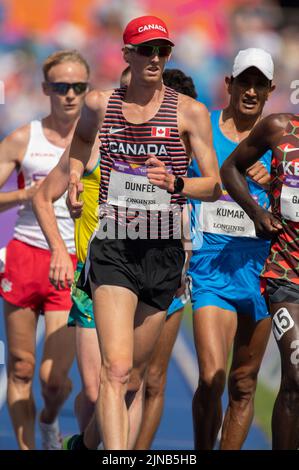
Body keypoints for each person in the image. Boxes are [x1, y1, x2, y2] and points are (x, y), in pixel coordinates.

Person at [67, 15, 221, 450]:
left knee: (133, 376)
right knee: (114, 369)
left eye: (162, 51)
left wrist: (175, 183)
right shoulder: (100, 104)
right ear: (127, 55)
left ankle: (83, 446)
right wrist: (76, 177)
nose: (155, 59)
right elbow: (79, 145)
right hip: (114, 245)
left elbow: (213, 185)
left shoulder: (189, 111)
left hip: (165, 252)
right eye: (146, 50)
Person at [33, 68, 198, 450]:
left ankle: (88, 447)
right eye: (126, 91)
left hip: (158, 264)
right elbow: (43, 196)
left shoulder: (172, 145)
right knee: (100, 386)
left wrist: (185, 262)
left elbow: (196, 201)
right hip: (103, 268)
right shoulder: (92, 142)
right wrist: (60, 247)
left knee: (132, 384)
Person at [0, 50, 90, 449]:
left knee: (55, 380)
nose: (70, 95)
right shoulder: (24, 137)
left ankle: (50, 419)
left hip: (70, 263)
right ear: (45, 89)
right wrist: (26, 193)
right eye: (60, 87)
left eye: (78, 87)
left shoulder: (99, 140)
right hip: (24, 255)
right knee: (21, 367)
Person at [188, 48, 275, 449]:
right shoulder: (201, 129)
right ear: (230, 84)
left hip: (262, 273)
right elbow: (174, 184)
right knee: (211, 377)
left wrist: (275, 179)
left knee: (243, 384)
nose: (251, 91)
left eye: (260, 84)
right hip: (210, 270)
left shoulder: (282, 141)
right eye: (245, 81)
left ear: (271, 90)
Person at [221, 112, 299, 450]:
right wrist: (257, 212)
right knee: (296, 375)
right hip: (286, 272)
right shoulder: (281, 128)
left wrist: (270, 185)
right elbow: (230, 168)